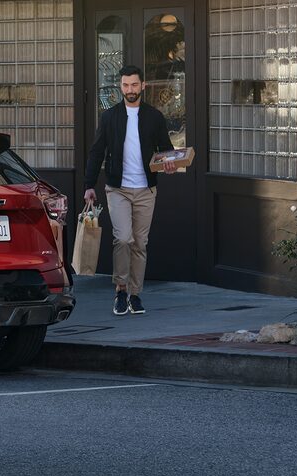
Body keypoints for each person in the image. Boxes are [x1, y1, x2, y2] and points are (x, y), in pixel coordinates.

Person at [83, 65, 179, 316]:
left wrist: (168, 163)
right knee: (123, 238)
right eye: (125, 85)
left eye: (134, 85)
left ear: (143, 86)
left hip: (146, 189)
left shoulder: (154, 117)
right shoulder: (110, 117)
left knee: (139, 243)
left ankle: (135, 295)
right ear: (120, 87)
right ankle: (120, 290)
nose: (130, 90)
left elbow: (166, 150)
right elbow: (96, 152)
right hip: (118, 189)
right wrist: (88, 185)